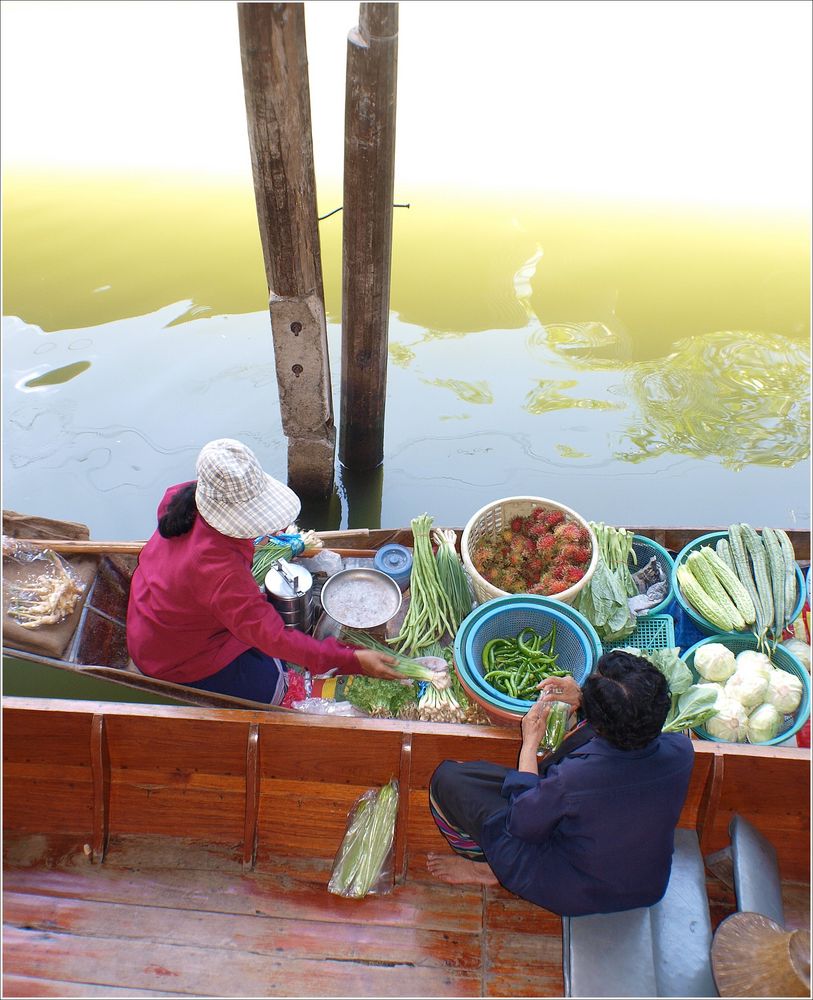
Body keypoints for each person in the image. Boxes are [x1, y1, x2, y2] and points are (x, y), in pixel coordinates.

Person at [126, 438, 400, 703]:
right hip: (171, 656)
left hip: (150, 615)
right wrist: (351, 660)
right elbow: (275, 638)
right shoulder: (219, 571)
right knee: (271, 684)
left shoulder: (179, 496)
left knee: (266, 645)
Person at [426, 648, 694, 916]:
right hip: (645, 885)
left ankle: (485, 867)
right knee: (555, 770)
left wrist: (529, 743)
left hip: (577, 888)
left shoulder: (574, 779)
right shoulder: (681, 751)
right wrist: (584, 698)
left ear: (602, 723)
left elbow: (522, 823)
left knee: (448, 780)